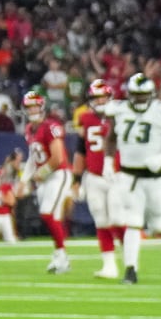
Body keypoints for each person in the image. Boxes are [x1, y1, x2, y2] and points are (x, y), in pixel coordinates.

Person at [102, 72, 161, 284]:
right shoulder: (119, 110)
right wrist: (108, 161)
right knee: (133, 222)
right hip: (130, 176)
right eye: (136, 94)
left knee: (157, 224)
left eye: (143, 94)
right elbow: (111, 137)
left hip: (155, 177)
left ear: (151, 94)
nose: (139, 99)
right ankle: (131, 270)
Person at [71, 80, 121, 278]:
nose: (99, 101)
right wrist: (76, 179)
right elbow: (80, 151)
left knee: (117, 219)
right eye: (95, 97)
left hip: (117, 175)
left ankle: (130, 259)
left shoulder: (120, 117)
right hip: (93, 176)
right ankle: (109, 265)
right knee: (101, 220)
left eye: (102, 97)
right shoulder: (86, 119)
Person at [19, 92, 73, 271]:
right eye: (29, 107)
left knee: (47, 213)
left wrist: (41, 173)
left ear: (42, 107)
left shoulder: (50, 126)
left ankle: (62, 256)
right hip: (45, 178)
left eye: (35, 106)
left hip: (58, 174)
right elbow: (32, 158)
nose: (32, 110)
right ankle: (60, 256)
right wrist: (23, 180)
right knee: (52, 218)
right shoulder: (29, 129)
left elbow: (57, 157)